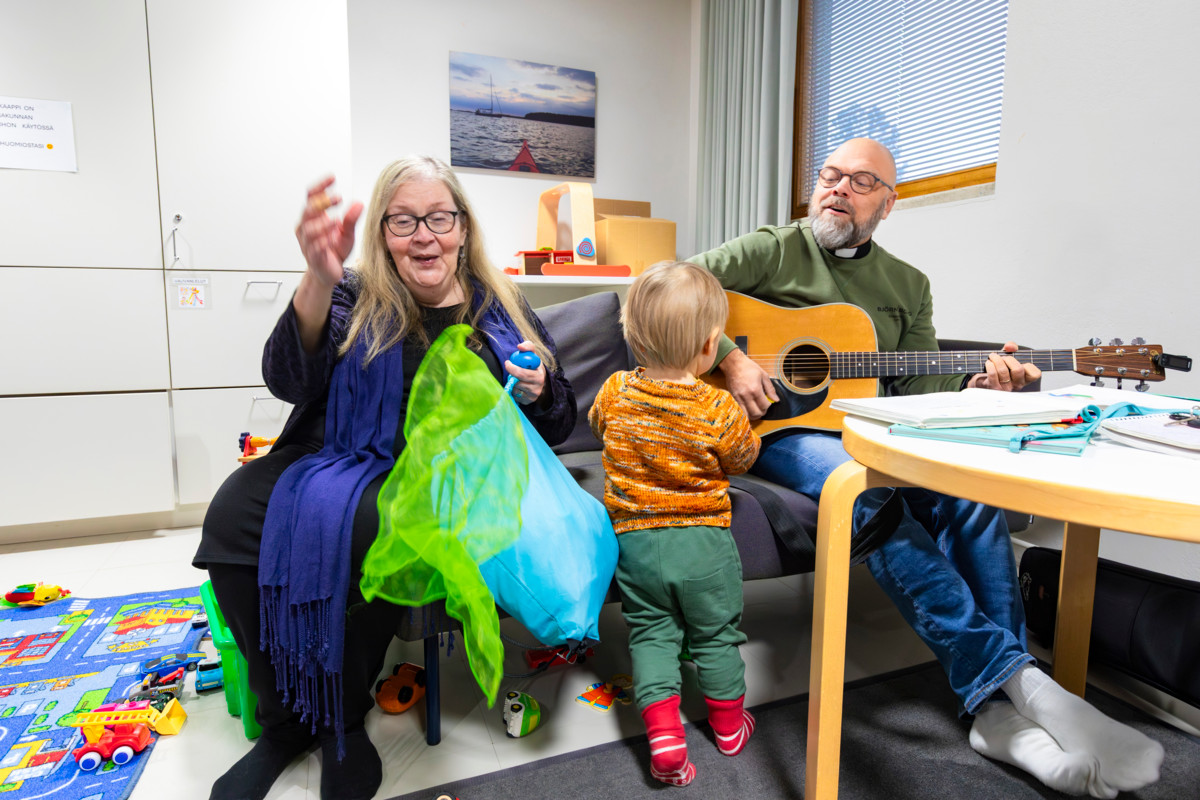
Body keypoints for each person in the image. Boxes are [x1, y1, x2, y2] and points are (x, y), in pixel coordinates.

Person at [689, 138, 1163, 798]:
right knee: (863, 493)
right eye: (830, 175)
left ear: (889, 201)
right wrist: (732, 360)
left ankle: (995, 715)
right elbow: (664, 287)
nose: (836, 189)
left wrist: (978, 389)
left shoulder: (907, 285)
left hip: (863, 425)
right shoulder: (771, 249)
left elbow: (916, 394)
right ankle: (1023, 686)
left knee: (968, 492)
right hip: (776, 431)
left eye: (859, 181)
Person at [193, 155, 576, 800]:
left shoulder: (500, 306)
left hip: (434, 475)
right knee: (232, 511)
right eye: (403, 221)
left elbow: (560, 420)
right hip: (330, 453)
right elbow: (289, 379)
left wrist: (539, 390)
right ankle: (287, 720)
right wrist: (316, 278)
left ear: (462, 226)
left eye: (438, 218)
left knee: (371, 521)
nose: (423, 235)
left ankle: (341, 718)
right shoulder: (351, 293)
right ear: (383, 233)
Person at [589, 262, 761, 787]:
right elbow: (743, 459)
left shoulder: (616, 391)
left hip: (636, 546)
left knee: (651, 637)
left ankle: (664, 736)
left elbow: (598, 424)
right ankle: (729, 727)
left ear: (632, 337)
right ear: (711, 347)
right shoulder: (718, 406)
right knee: (715, 637)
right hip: (704, 544)